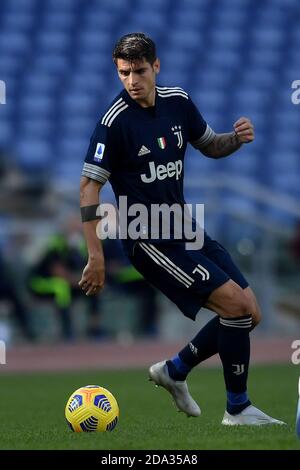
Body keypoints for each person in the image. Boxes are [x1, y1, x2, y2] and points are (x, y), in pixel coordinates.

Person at [79, 33, 285, 425]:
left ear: (156, 66)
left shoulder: (178, 101)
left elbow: (210, 144)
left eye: (139, 71)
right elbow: (89, 185)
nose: (131, 80)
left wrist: (235, 140)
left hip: (183, 226)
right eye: (123, 72)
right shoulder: (113, 122)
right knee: (237, 309)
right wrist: (96, 254)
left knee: (249, 313)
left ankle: (174, 370)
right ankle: (237, 408)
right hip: (148, 237)